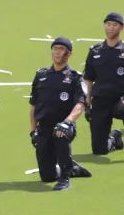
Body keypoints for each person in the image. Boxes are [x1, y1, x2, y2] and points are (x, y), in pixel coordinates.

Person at [26, 37, 92, 190]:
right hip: (44, 128)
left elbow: (80, 104)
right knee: (47, 176)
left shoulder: (75, 77)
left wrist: (68, 122)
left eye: (61, 49)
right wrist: (32, 131)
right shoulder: (41, 76)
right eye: (55, 48)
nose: (57, 52)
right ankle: (72, 168)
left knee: (60, 132)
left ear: (69, 54)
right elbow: (33, 106)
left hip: (64, 126)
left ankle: (65, 178)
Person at [81, 12, 124, 156]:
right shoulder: (95, 51)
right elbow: (88, 77)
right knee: (99, 150)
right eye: (108, 24)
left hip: (121, 99)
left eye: (115, 25)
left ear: (121, 28)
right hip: (100, 99)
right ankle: (114, 137)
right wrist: (87, 100)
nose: (111, 28)